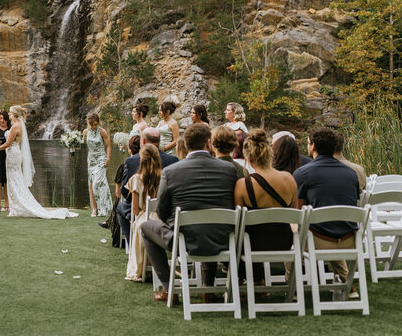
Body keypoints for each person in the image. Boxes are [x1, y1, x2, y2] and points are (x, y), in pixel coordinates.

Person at [141, 123, 238, 302]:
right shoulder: (229, 170)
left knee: (146, 227)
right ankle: (207, 290)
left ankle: (169, 289)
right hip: (222, 238)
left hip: (184, 240)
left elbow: (162, 210)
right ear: (209, 143)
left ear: (185, 145)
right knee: (208, 225)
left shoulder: (170, 172)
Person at [294, 126, 361, 291]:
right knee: (328, 225)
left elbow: (298, 213)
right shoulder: (351, 173)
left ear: (313, 146)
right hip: (350, 239)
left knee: (294, 232)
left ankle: (292, 288)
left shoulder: (303, 173)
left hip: (318, 240)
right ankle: (348, 285)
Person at [0, 105, 77, 219]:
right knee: (14, 179)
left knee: (14, 179)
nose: (9, 115)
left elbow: (7, 144)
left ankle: (17, 207)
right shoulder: (19, 125)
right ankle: (14, 207)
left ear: (15, 115)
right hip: (14, 153)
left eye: (10, 113)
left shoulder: (15, 126)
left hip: (13, 154)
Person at [235, 130, 297, 281]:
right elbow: (295, 214)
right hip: (285, 242)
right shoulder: (289, 179)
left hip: (254, 244)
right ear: (270, 155)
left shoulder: (243, 184)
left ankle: (252, 281)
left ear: (249, 159)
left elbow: (238, 222)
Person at [125, 144, 162, 281]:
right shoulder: (163, 177)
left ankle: (139, 268)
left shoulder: (136, 179)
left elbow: (135, 210)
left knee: (137, 224)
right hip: (162, 218)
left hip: (144, 218)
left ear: (142, 159)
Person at [84, 113, 113, 217]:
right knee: (92, 184)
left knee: (98, 183)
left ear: (98, 122)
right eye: (92, 124)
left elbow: (108, 145)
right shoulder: (86, 132)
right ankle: (95, 209)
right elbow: (85, 144)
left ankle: (104, 208)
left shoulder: (102, 132)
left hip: (101, 159)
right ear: (89, 123)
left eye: (95, 124)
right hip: (91, 160)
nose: (94, 126)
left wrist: (108, 158)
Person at [115, 135, 142, 242]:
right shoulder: (170, 160)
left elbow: (124, 191)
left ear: (130, 149)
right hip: (157, 209)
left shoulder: (130, 162)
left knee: (120, 208)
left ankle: (132, 243)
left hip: (136, 209)